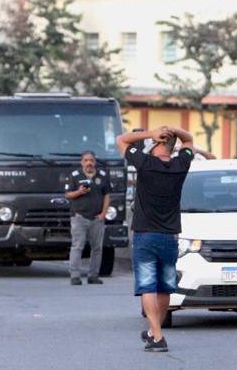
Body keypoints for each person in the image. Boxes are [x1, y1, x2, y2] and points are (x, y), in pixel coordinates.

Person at [116, 125, 195, 353]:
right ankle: (153, 331)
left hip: (145, 235)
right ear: (172, 147)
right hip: (170, 237)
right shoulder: (181, 165)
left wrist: (150, 134)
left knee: (148, 286)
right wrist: (175, 131)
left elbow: (122, 139)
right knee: (164, 288)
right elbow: (189, 140)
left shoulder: (145, 163)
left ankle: (158, 337)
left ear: (158, 143)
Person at [63, 151, 112, 285]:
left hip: (97, 218)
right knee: (77, 246)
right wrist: (79, 192)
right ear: (82, 162)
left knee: (97, 248)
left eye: (91, 160)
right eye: (85, 160)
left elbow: (107, 196)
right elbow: (67, 195)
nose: (88, 163)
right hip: (79, 217)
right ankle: (75, 276)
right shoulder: (75, 176)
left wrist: (103, 214)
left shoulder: (102, 176)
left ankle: (93, 276)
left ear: (95, 162)